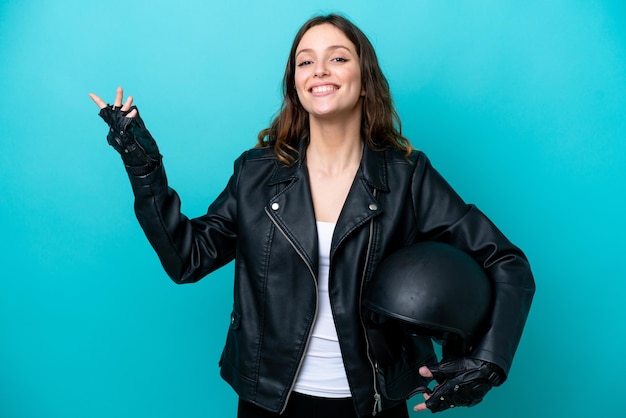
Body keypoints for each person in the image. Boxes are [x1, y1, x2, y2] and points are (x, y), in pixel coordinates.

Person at [89, 13, 535, 418]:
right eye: (305, 62)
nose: (319, 70)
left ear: (364, 80)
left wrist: (489, 360)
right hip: (269, 402)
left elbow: (506, 262)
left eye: (337, 57)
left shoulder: (409, 177)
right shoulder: (255, 173)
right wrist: (144, 168)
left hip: (374, 403)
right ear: (296, 86)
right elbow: (188, 259)